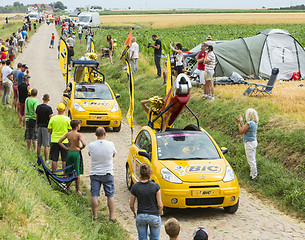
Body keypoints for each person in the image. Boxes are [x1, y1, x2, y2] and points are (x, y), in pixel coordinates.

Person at [88, 127, 116, 221]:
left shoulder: (91, 145)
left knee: (94, 194)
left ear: (95, 134)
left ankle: (95, 215)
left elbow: (90, 154)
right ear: (105, 134)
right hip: (107, 173)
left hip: (95, 173)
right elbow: (113, 154)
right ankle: (111, 216)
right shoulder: (111, 144)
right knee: (110, 195)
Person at [130, 163, 163, 240]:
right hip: (154, 215)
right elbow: (160, 204)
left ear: (139, 173)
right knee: (154, 238)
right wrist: (160, 212)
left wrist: (134, 213)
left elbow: (131, 204)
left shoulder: (135, 187)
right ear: (150, 173)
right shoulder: (156, 186)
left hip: (141, 215)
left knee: (142, 238)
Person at [58, 120, 86, 195]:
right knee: (77, 171)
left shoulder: (68, 134)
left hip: (69, 152)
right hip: (76, 153)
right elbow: (84, 143)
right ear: (77, 126)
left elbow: (59, 142)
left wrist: (66, 148)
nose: (80, 126)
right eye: (79, 125)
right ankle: (77, 190)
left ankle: (67, 187)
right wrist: (81, 147)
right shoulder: (79, 135)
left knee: (68, 170)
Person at [234, 108, 259, 181]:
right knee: (252, 159)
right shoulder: (254, 123)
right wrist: (241, 122)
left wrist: (238, 124)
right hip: (253, 142)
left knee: (251, 160)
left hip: (249, 143)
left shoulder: (249, 123)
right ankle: (253, 174)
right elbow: (245, 128)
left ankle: (254, 176)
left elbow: (242, 131)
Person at [48, 103, 72, 172]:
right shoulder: (67, 119)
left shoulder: (53, 118)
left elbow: (49, 130)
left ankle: (53, 173)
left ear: (57, 109)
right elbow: (69, 130)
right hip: (64, 141)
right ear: (64, 110)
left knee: (54, 159)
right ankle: (64, 173)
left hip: (54, 140)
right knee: (64, 159)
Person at [36, 94, 53, 163]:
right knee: (46, 145)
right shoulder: (49, 108)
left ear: (42, 98)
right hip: (46, 127)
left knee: (39, 144)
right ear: (48, 100)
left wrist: (37, 124)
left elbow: (36, 117)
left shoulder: (38, 107)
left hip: (39, 126)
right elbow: (51, 118)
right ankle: (46, 160)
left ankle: (38, 158)